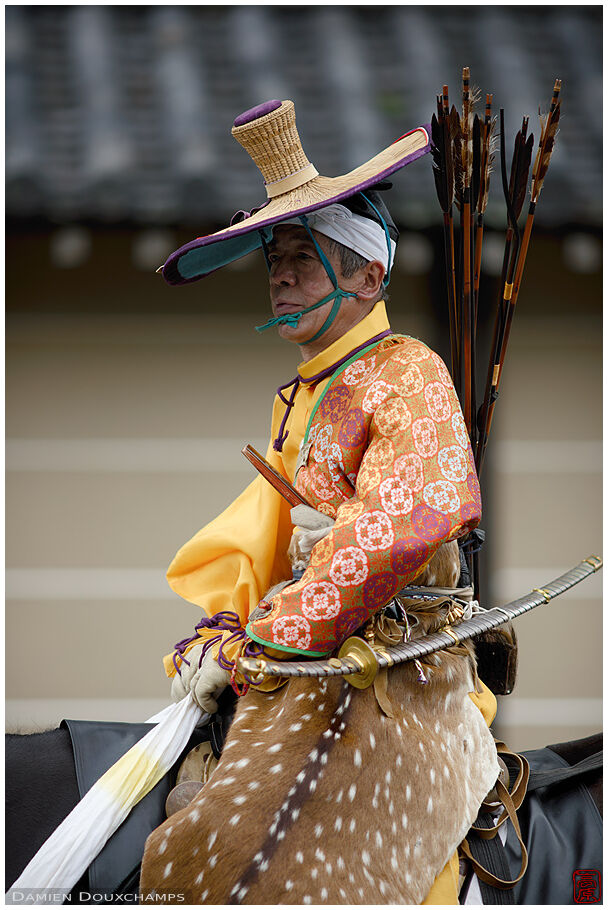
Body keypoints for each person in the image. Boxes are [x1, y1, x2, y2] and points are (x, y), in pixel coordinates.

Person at [158, 99, 496, 904]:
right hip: (298, 661)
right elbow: (261, 538)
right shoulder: (302, 397)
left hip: (399, 672)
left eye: (302, 257)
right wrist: (225, 634)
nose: (279, 274)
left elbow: (401, 529)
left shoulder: (408, 369)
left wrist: (266, 638)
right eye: (273, 258)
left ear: (369, 275)